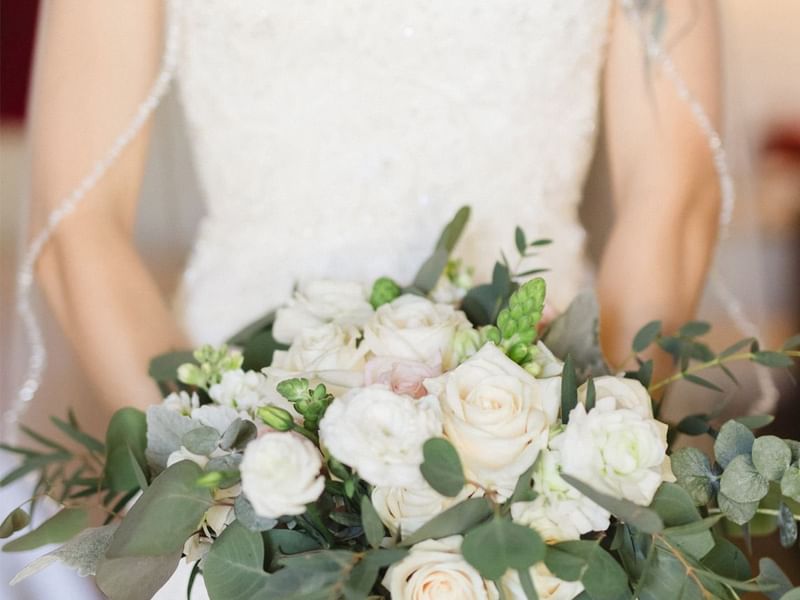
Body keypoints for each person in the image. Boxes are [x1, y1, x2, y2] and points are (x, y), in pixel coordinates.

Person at [10, 1, 725, 596]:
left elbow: (676, 195)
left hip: (547, 449)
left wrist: (580, 472)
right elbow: (78, 225)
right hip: (235, 449)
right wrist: (220, 494)